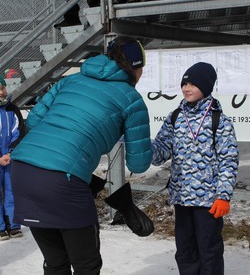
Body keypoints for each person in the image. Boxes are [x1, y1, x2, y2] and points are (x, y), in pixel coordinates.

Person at [10, 35, 153, 274]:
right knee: (87, 265)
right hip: (62, 179)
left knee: (56, 263)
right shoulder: (131, 99)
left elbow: (33, 121)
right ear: (136, 68)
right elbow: (138, 164)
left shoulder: (71, 80)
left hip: (23, 170)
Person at [151, 62, 239, 275]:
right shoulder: (175, 117)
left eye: (193, 84)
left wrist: (223, 195)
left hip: (209, 200)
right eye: (184, 83)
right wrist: (141, 148)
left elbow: (229, 160)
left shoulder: (219, 120)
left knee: (209, 250)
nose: (186, 88)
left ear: (207, 86)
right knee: (185, 251)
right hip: (182, 197)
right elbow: (161, 151)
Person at [0, 76, 25, 241]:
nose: (2, 91)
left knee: (12, 191)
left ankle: (13, 224)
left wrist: (10, 152)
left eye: (2, 88)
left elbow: (20, 132)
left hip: (9, 157)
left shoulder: (12, 109)